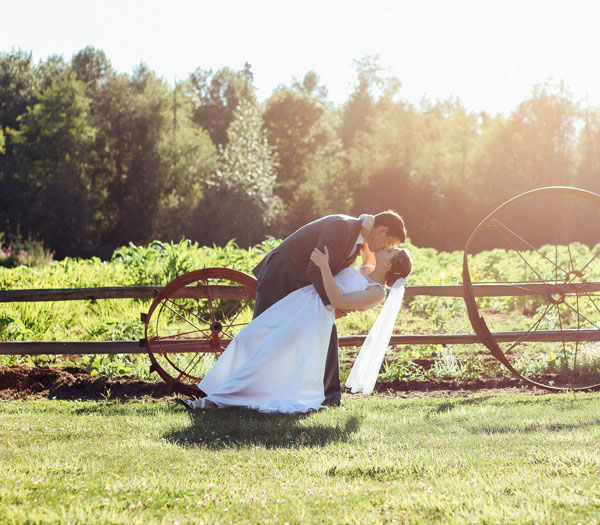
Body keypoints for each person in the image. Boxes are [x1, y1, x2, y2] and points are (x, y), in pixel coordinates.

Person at [175, 244, 412, 413]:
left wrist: (324, 266)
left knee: (269, 354)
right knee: (249, 338)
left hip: (313, 315)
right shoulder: (366, 269)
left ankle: (210, 403)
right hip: (300, 301)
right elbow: (367, 238)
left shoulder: (377, 293)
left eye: (390, 251)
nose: (385, 248)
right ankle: (217, 387)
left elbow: (338, 301)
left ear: (389, 263)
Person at [251, 211, 406, 406]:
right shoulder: (342, 227)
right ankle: (246, 387)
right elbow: (315, 268)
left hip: (304, 290)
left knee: (325, 330)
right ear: (382, 231)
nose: (386, 247)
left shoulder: (357, 240)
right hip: (282, 276)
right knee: (260, 333)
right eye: (390, 243)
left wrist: (335, 303)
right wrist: (332, 303)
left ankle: (328, 395)